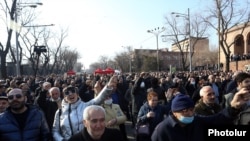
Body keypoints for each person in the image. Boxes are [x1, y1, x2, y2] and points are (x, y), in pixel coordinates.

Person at [151, 92, 250, 141]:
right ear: (174, 112)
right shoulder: (162, 130)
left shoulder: (197, 121)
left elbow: (218, 119)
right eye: (185, 111)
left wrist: (233, 107)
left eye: (191, 110)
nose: (190, 114)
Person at [52, 75, 118, 141]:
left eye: (73, 91)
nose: (70, 94)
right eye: (67, 93)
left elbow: (98, 99)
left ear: (77, 94)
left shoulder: (86, 106)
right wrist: (61, 140)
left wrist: (108, 86)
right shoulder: (60, 112)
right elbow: (55, 131)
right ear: (64, 97)